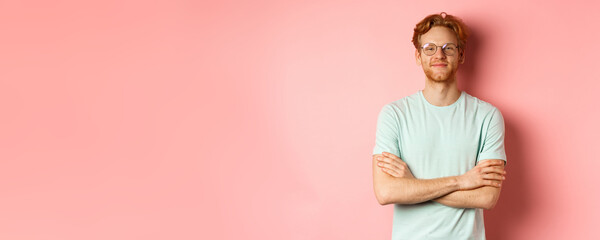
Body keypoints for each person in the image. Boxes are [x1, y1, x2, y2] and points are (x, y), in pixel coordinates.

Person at [372, 12, 507, 239]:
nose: (439, 54)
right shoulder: (394, 114)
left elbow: (486, 198)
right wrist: (462, 181)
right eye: (430, 48)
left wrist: (412, 186)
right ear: (418, 56)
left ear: (461, 54)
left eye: (448, 48)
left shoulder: (487, 116)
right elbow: (385, 192)